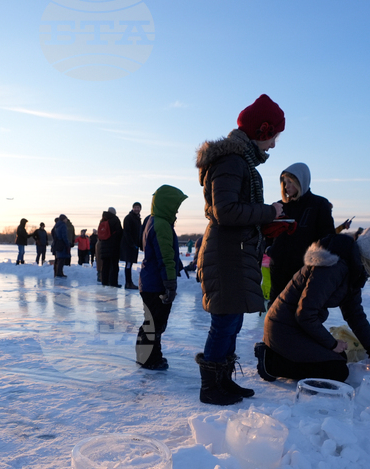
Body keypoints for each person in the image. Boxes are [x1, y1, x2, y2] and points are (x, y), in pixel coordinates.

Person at [194, 93, 292, 405]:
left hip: (234, 251)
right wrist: (269, 212)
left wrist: (268, 223)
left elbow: (233, 211)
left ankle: (223, 380)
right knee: (223, 323)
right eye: (274, 136)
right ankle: (211, 388)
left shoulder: (240, 162)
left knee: (232, 322)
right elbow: (226, 211)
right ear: (262, 132)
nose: (274, 145)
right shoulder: (232, 161)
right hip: (226, 255)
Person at [256, 215, 370, 382]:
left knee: (340, 359)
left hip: (297, 327)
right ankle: (272, 362)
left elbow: (355, 314)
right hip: (283, 328)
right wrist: (332, 343)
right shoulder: (333, 266)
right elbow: (306, 314)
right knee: (337, 370)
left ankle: (282, 355)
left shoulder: (352, 267)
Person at [266, 162, 335, 302]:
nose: (286, 187)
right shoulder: (279, 206)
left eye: (290, 182)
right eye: (284, 183)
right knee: (275, 309)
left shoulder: (319, 204)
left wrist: (317, 263)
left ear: (301, 181)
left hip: (305, 270)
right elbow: (267, 232)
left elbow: (328, 237)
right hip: (279, 269)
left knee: (300, 310)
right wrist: (269, 250)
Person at [136, 186, 187, 370]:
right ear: (167, 204)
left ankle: (150, 356)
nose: (177, 210)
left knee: (153, 322)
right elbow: (164, 257)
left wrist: (178, 264)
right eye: (175, 205)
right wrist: (170, 284)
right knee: (155, 323)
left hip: (149, 281)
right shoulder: (161, 225)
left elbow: (163, 252)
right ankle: (148, 359)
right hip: (156, 283)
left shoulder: (152, 220)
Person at [121, 202, 143, 290]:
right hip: (128, 246)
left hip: (133, 245)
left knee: (129, 264)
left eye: (138, 207)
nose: (137, 209)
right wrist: (132, 244)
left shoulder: (137, 219)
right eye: (135, 207)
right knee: (128, 264)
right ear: (133, 208)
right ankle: (128, 283)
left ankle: (129, 282)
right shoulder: (129, 218)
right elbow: (127, 232)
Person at [100, 207, 123, 287]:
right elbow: (119, 232)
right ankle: (113, 282)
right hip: (113, 246)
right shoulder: (115, 220)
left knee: (105, 265)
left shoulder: (103, 220)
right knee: (114, 265)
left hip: (103, 246)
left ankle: (104, 282)